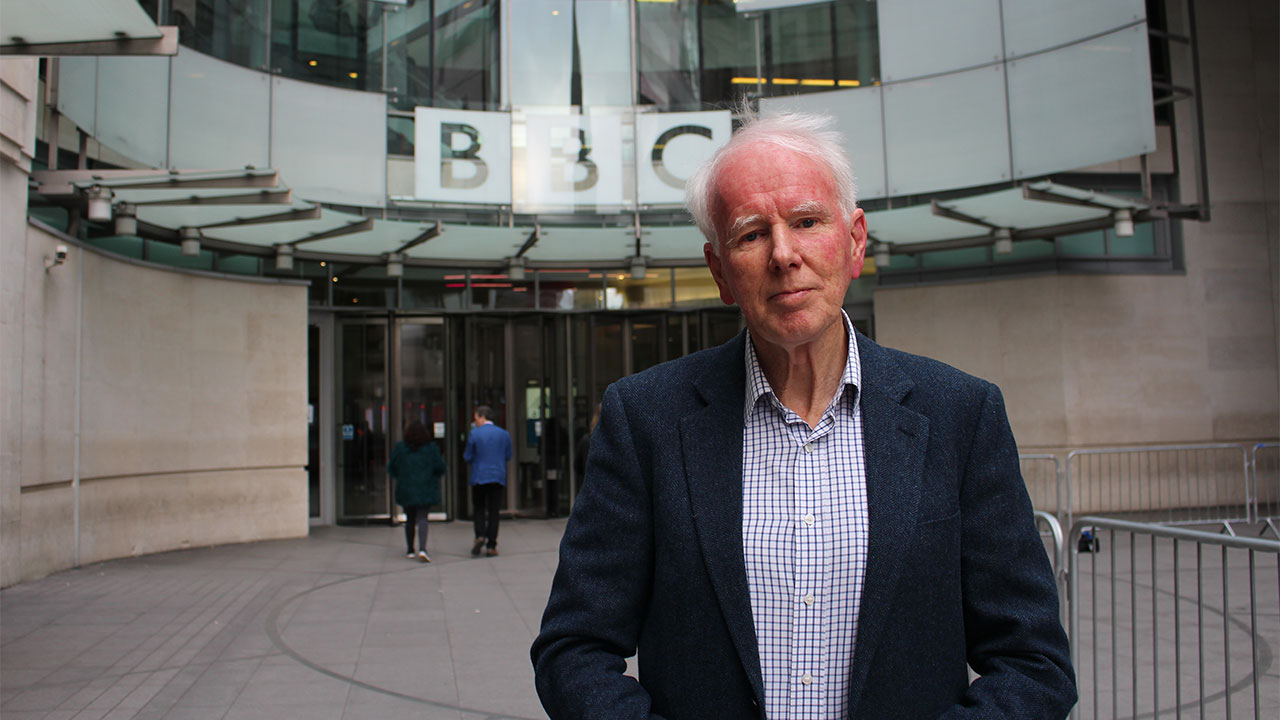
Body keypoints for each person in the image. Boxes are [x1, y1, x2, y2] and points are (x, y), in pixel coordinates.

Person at [530, 109, 1076, 719]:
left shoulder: (960, 415)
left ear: (855, 242)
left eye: (807, 221)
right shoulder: (647, 419)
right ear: (720, 272)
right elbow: (573, 650)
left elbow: (1035, 663)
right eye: (750, 234)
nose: (783, 254)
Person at [387, 421, 445, 562]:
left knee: (410, 519)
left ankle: (410, 549)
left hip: (407, 487)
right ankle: (423, 549)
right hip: (426, 487)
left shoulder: (401, 449)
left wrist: (401, 476)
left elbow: (391, 467)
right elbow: (441, 467)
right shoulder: (431, 449)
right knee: (423, 518)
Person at [464, 405, 512, 557]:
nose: (475, 421)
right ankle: (491, 545)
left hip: (479, 476)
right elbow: (508, 455)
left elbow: (467, 456)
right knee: (494, 511)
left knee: (479, 508)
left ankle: (480, 535)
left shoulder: (475, 433)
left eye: (476, 418)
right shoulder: (504, 434)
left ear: (482, 417)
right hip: (497, 476)